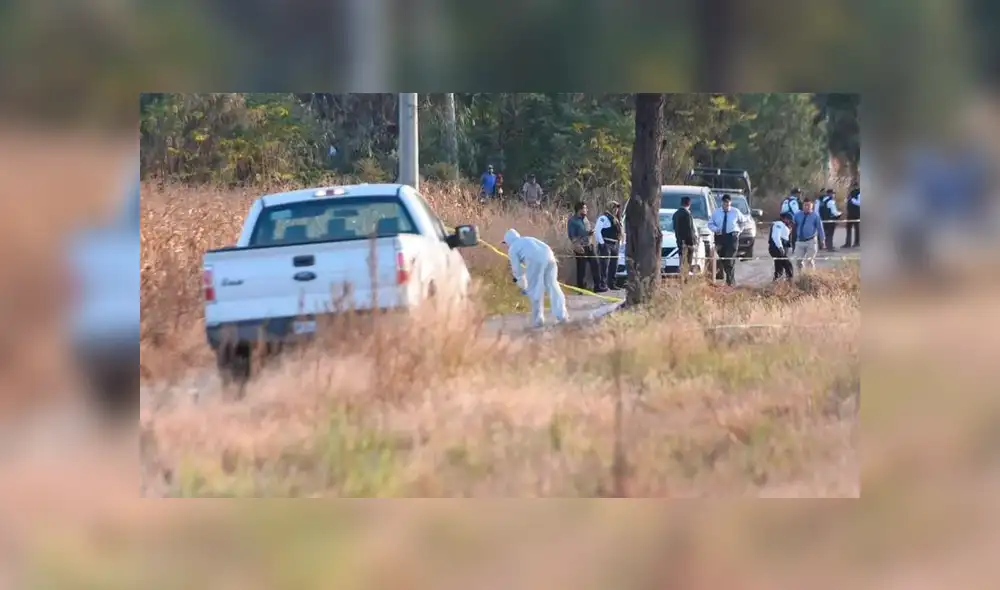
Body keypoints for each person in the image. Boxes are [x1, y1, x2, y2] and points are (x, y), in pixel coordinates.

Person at [503, 229, 568, 328]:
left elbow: (517, 270)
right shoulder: (528, 239)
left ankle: (538, 320)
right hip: (550, 256)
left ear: (508, 241)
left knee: (534, 289)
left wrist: (523, 285)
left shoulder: (512, 248)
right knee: (553, 286)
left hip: (535, 260)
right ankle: (562, 316)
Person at [707, 194, 747, 286]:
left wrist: (739, 231)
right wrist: (716, 229)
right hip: (720, 237)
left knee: (729, 259)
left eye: (728, 204)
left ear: (730, 203)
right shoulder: (716, 213)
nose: (727, 206)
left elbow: (743, 221)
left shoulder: (735, 212)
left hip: (732, 237)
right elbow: (710, 224)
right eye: (725, 204)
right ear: (722, 203)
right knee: (723, 259)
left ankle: (730, 282)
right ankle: (730, 280)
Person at [567, 201, 603, 291]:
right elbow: (572, 235)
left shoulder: (585, 219)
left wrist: (590, 233)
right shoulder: (572, 221)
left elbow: (586, 231)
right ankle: (581, 288)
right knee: (581, 268)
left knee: (596, 265)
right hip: (580, 246)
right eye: (585, 208)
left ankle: (598, 286)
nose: (586, 210)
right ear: (579, 210)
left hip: (589, 245)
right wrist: (577, 245)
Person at [594, 200, 623, 290]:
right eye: (614, 208)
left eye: (617, 208)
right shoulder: (603, 218)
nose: (616, 210)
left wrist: (620, 243)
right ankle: (603, 284)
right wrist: (602, 243)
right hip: (606, 244)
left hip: (615, 244)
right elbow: (597, 231)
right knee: (604, 266)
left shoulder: (617, 219)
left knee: (614, 266)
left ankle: (612, 284)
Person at [791, 199, 825, 271]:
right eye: (805, 205)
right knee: (798, 261)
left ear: (812, 206)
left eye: (808, 205)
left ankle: (811, 277)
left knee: (809, 261)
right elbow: (792, 226)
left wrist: (822, 240)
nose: (806, 207)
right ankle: (801, 277)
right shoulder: (797, 215)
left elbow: (820, 228)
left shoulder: (815, 216)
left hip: (811, 241)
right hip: (800, 241)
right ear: (802, 206)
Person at [671, 195, 698, 275]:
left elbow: (674, 228)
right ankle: (685, 277)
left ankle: (682, 276)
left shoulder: (675, 214)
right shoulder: (687, 215)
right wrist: (693, 242)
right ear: (689, 204)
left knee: (681, 260)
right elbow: (690, 229)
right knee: (687, 261)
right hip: (688, 242)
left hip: (679, 241)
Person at [770, 213, 794, 281]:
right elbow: (776, 236)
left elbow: (784, 236)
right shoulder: (779, 224)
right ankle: (790, 281)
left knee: (779, 268)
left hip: (778, 248)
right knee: (788, 265)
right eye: (789, 221)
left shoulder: (783, 225)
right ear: (785, 219)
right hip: (777, 248)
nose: (790, 223)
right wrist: (780, 247)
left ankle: (776, 282)